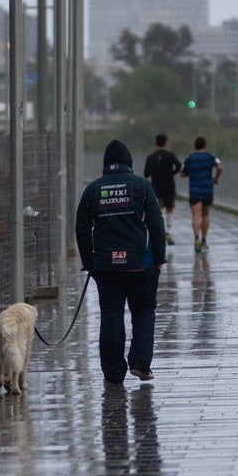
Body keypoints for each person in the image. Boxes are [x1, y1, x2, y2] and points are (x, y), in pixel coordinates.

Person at [76, 139, 167, 386]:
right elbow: (156, 225)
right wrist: (159, 258)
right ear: (129, 162)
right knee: (144, 312)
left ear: (106, 164)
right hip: (141, 263)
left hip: (105, 265)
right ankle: (139, 363)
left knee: (111, 316)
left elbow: (82, 229)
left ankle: (114, 373)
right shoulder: (142, 186)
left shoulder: (92, 190)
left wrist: (89, 262)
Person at [178, 135, 222, 252]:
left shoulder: (189, 158)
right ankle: (204, 241)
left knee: (196, 215)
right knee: (206, 215)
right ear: (205, 146)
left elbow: (182, 173)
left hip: (194, 190)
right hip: (208, 189)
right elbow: (220, 167)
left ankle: (196, 238)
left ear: (195, 146)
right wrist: (216, 179)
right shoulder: (211, 157)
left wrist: (191, 173)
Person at [142, 133, 181, 243]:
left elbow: (146, 174)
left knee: (158, 211)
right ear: (165, 143)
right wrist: (172, 173)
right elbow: (178, 165)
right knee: (169, 209)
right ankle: (168, 232)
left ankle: (160, 232)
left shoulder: (151, 157)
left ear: (156, 143)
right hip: (169, 186)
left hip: (156, 188)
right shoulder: (170, 155)